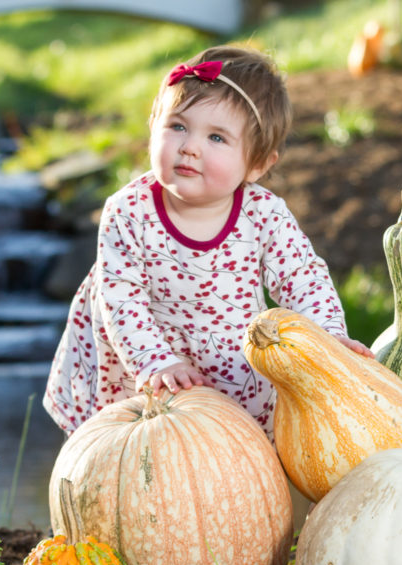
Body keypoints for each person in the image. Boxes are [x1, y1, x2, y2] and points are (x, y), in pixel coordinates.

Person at [44, 44, 373, 437]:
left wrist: (329, 336)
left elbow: (302, 279)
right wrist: (155, 362)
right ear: (153, 126)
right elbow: (121, 297)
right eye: (177, 126)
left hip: (227, 359)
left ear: (257, 164)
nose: (190, 146)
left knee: (230, 459)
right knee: (135, 453)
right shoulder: (128, 210)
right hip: (137, 353)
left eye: (217, 138)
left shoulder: (263, 214)